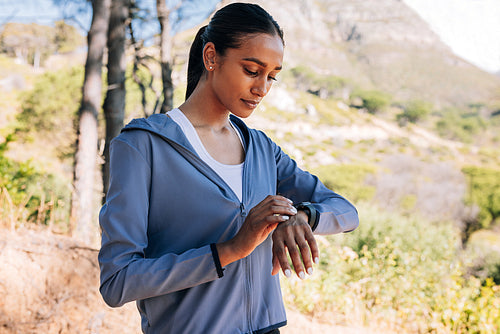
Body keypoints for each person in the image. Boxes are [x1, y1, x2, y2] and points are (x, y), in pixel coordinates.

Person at [98, 2, 359, 334]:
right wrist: (230, 250)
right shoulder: (142, 147)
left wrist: (300, 215)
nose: (262, 88)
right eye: (252, 70)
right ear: (211, 58)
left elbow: (347, 211)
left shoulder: (263, 150)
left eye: (272, 77)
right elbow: (118, 281)